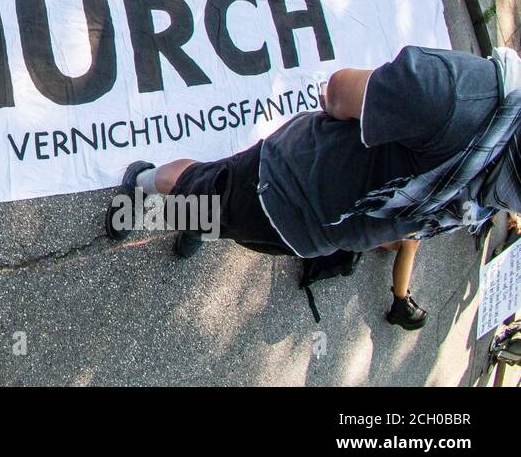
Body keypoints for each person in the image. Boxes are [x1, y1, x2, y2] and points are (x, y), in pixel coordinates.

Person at [105, 47, 521, 293]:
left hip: (304, 218)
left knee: (210, 205)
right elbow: (341, 95)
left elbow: (340, 94)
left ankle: (186, 215)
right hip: (289, 192)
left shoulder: (477, 118)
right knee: (198, 191)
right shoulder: (465, 104)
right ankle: (142, 182)